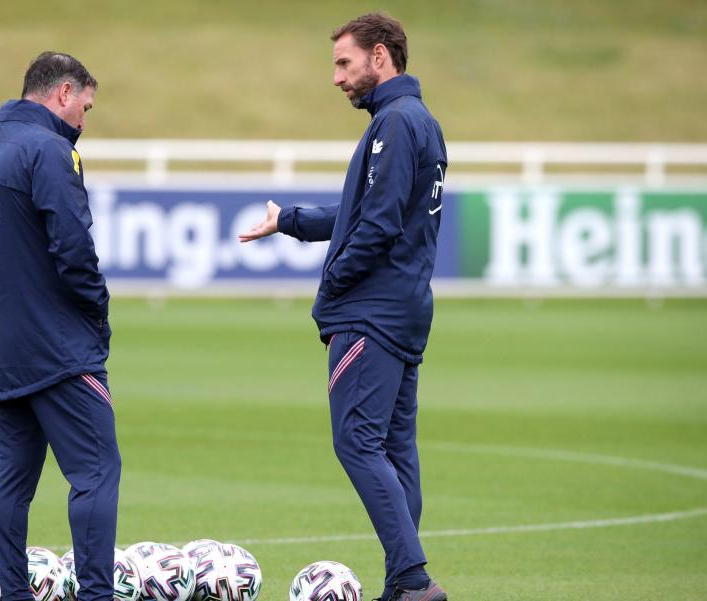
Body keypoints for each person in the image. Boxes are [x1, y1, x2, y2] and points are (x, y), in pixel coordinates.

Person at [239, 13, 448, 601]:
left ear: (380, 57)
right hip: (404, 310)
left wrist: (333, 291)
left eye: (344, 63)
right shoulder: (412, 120)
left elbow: (376, 226)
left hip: (372, 314)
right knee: (394, 450)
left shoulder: (396, 124)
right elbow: (363, 212)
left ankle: (412, 580)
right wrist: (291, 221)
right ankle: (401, 585)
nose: (336, 78)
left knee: (357, 442)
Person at [0, 51, 120, 601]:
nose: (84, 121)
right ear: (63, 93)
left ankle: (15, 594)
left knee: (12, 478)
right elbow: (74, 248)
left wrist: (12, 301)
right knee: (96, 470)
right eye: (85, 107)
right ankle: (97, 594)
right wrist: (95, 312)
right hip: (61, 348)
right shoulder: (51, 150)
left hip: (5, 347)